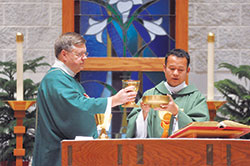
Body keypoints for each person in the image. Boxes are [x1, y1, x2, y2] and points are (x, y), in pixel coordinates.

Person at [32, 32, 137, 166]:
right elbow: (77, 108)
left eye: (85, 54)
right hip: (56, 155)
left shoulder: (67, 78)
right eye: (79, 54)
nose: (84, 58)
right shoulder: (55, 79)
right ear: (64, 55)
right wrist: (113, 100)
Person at [126, 48, 210, 138]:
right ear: (164, 68)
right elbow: (133, 129)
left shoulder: (196, 98)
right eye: (172, 68)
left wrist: (177, 112)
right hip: (154, 150)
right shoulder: (150, 95)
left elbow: (201, 130)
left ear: (187, 71)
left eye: (180, 70)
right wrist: (144, 114)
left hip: (184, 151)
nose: (175, 73)